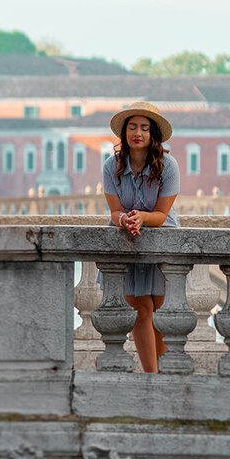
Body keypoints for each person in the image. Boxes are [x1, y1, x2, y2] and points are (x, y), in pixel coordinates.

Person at [100, 101, 180, 373]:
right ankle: (152, 375)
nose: (138, 133)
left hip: (160, 236)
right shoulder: (111, 166)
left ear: (152, 134)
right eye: (133, 127)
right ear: (124, 133)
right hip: (128, 238)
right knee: (140, 309)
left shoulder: (168, 166)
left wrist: (142, 218)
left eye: (145, 128)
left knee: (159, 309)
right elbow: (113, 211)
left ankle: (162, 371)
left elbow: (161, 214)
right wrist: (124, 219)